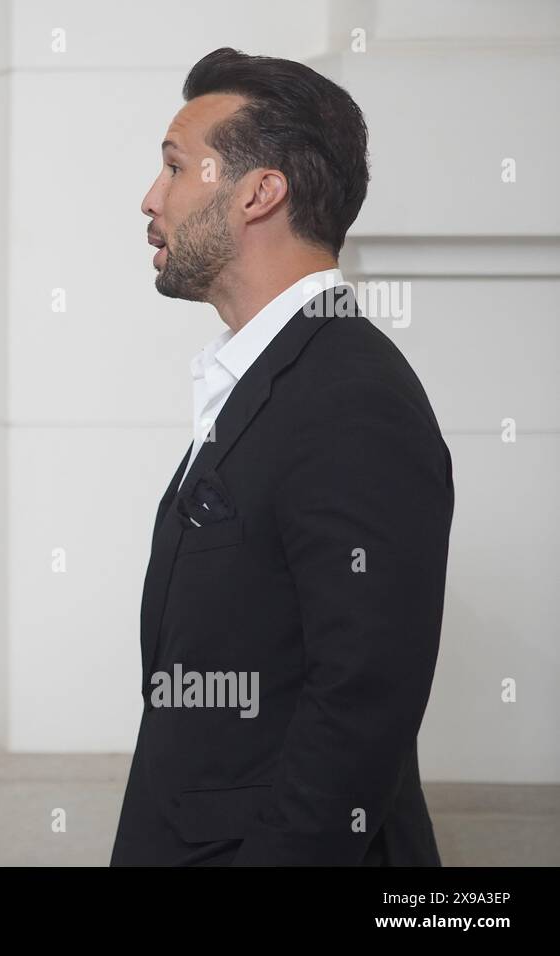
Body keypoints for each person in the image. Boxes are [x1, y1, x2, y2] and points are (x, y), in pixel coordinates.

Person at [111, 49, 453, 865]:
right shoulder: (267, 375)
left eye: (174, 167)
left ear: (260, 192)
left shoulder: (349, 395)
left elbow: (363, 700)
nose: (150, 200)